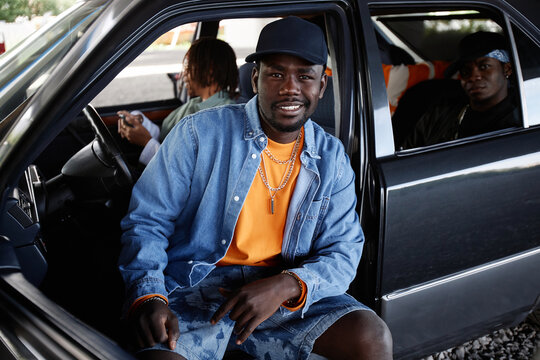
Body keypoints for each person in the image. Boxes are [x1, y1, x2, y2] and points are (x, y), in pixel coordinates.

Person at [118, 16, 392, 360]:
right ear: (255, 79)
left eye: (304, 76)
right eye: (276, 74)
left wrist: (288, 284)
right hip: (195, 285)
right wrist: (149, 297)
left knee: (371, 336)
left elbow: (344, 249)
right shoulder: (198, 134)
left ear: (321, 86)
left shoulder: (331, 156)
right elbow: (147, 221)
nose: (290, 88)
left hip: (282, 289)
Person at [117, 37, 238, 165]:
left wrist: (146, 142)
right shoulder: (195, 104)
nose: (183, 74)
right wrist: (141, 123)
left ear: (210, 69)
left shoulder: (223, 116)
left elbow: (185, 169)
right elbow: (168, 137)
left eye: (188, 66)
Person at [402, 31, 520, 149]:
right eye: (466, 71)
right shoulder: (442, 112)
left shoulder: (519, 124)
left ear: (507, 69)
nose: (473, 77)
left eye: (484, 67)